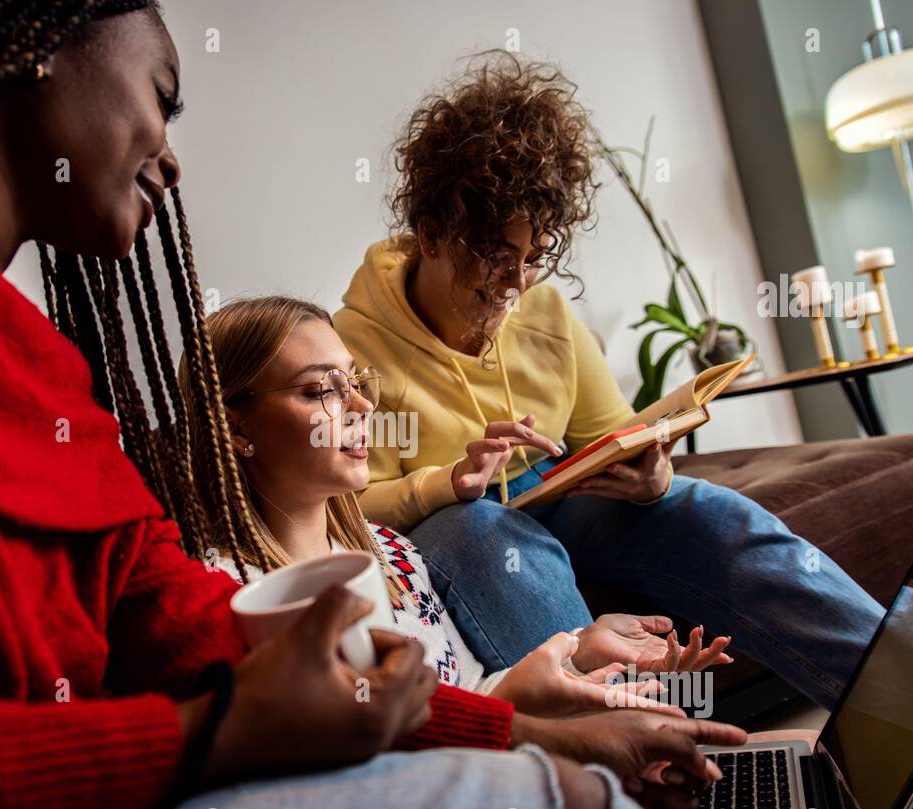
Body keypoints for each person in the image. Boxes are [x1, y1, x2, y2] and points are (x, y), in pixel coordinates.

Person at [0, 1, 743, 809]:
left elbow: (196, 628)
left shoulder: (35, 369)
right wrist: (199, 737)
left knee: (548, 770)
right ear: (41, 29)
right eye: (162, 94)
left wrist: (533, 726)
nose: (169, 148)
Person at [331, 51, 913, 809]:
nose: (513, 285)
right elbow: (347, 507)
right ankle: (661, 807)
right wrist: (448, 480)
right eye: (493, 258)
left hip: (565, 522)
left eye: (532, 256)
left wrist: (649, 472)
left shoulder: (544, 314)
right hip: (463, 546)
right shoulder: (352, 346)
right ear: (432, 233)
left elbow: (609, 437)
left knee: (710, 512)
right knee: (483, 527)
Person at [186, 294, 731, 717]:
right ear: (235, 427)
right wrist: (511, 703)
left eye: (355, 381)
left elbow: (472, 694)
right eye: (318, 391)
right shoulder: (228, 596)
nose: (361, 405)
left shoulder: (393, 555)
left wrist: (581, 648)